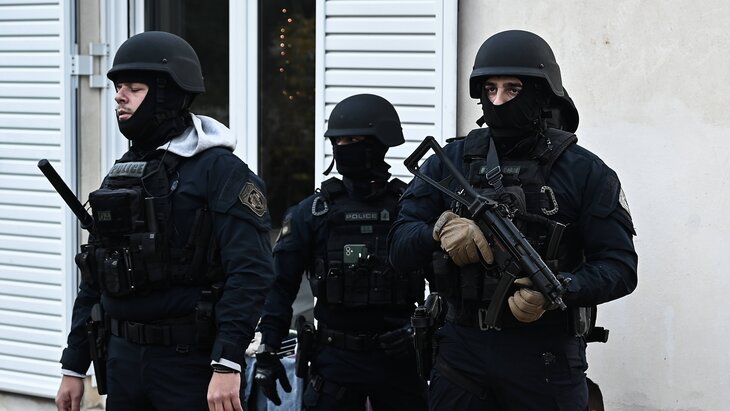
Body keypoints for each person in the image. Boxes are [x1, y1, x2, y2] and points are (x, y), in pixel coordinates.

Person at [387, 29, 638, 411]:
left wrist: (561, 289)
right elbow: (398, 247)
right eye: (490, 89)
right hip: (461, 352)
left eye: (512, 89)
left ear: (540, 93)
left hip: (545, 356)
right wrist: (437, 231)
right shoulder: (447, 163)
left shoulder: (584, 171)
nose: (499, 101)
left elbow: (620, 266)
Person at [54, 31, 274, 411]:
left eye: (134, 88)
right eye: (118, 88)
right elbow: (95, 274)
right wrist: (74, 365)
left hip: (189, 365)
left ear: (167, 95)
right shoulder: (122, 172)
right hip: (122, 362)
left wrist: (227, 361)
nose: (120, 96)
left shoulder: (220, 170)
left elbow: (251, 271)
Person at [254, 94, 428, 411]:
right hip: (335, 361)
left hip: (399, 357)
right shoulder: (313, 213)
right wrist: (268, 350)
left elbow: (444, 283)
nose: (344, 147)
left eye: (354, 140)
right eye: (339, 141)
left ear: (380, 143)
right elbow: (280, 287)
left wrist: (422, 329)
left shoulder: (409, 209)